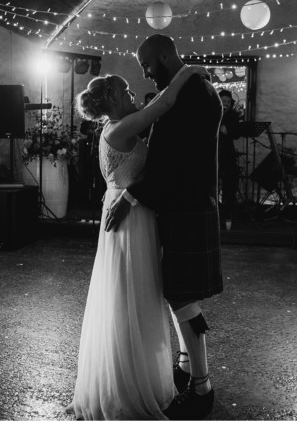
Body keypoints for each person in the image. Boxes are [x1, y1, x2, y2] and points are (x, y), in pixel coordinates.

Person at [106, 34, 223, 420]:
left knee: (182, 296)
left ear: (166, 55)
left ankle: (201, 389)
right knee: (177, 291)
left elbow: (172, 157)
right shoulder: (190, 86)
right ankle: (187, 367)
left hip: (187, 205)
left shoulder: (191, 91)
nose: (145, 73)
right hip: (183, 205)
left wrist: (132, 195)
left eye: (147, 64)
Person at [67, 70, 195, 420]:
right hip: (128, 217)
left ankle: (132, 374)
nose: (133, 96)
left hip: (129, 210)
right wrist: (188, 72)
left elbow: (154, 108)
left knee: (132, 291)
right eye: (126, 92)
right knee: (130, 293)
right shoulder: (120, 129)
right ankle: (127, 384)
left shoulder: (115, 128)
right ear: (111, 98)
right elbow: (164, 103)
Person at [217, 89, 240, 229]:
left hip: (227, 154)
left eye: (227, 102)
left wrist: (228, 129)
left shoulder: (232, 116)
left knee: (230, 181)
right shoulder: (213, 113)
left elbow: (236, 134)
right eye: (222, 101)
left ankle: (227, 212)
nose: (225, 104)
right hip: (213, 154)